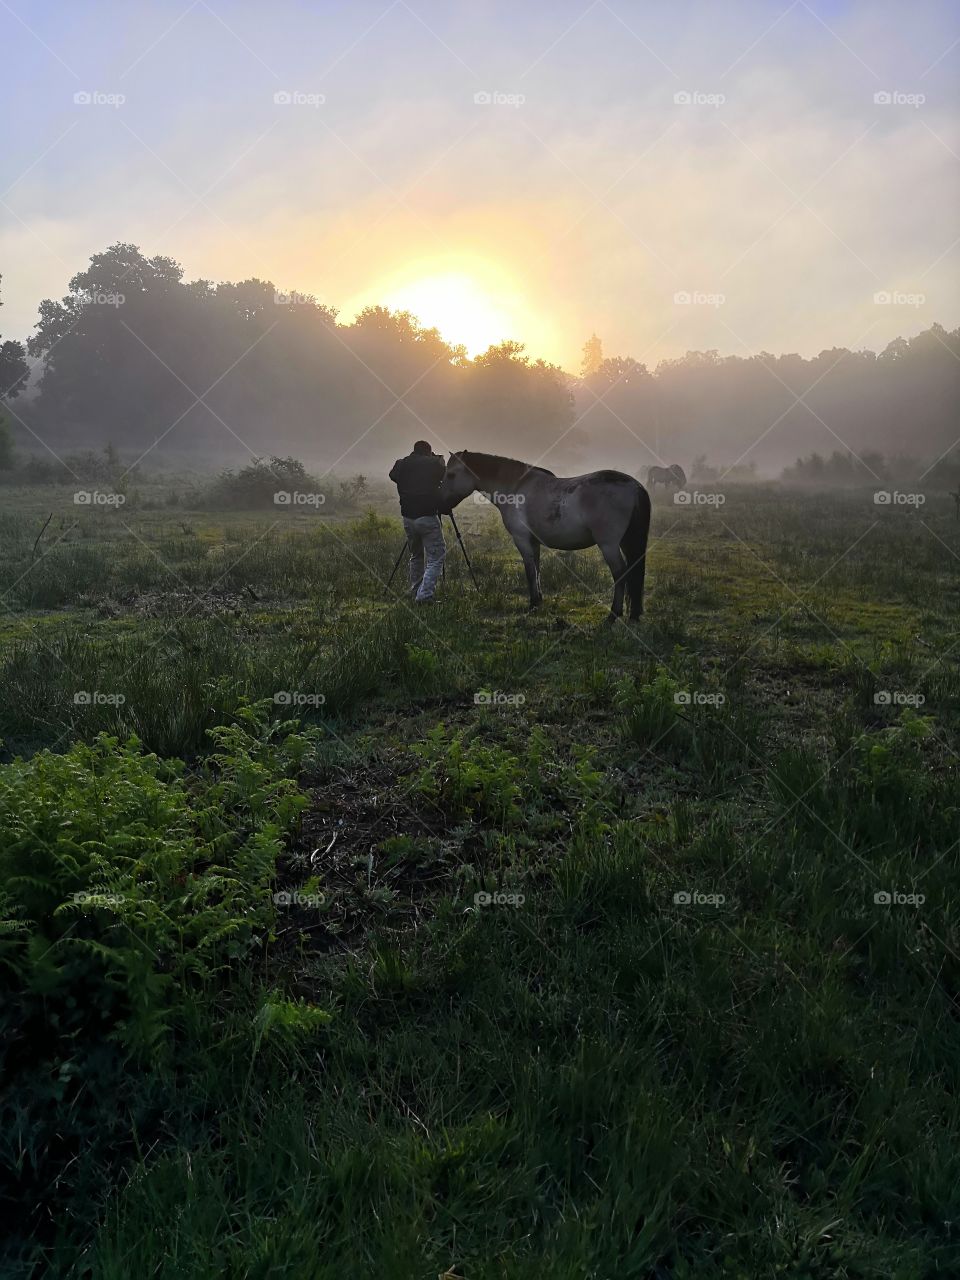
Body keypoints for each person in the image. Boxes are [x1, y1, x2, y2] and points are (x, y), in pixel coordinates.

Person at [389, 441, 447, 603]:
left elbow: (393, 475)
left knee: (416, 555)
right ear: (428, 452)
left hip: (408, 517)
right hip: (427, 516)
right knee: (436, 556)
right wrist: (438, 459)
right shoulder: (434, 463)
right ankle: (425, 595)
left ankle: (416, 592)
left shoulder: (402, 463)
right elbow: (445, 474)